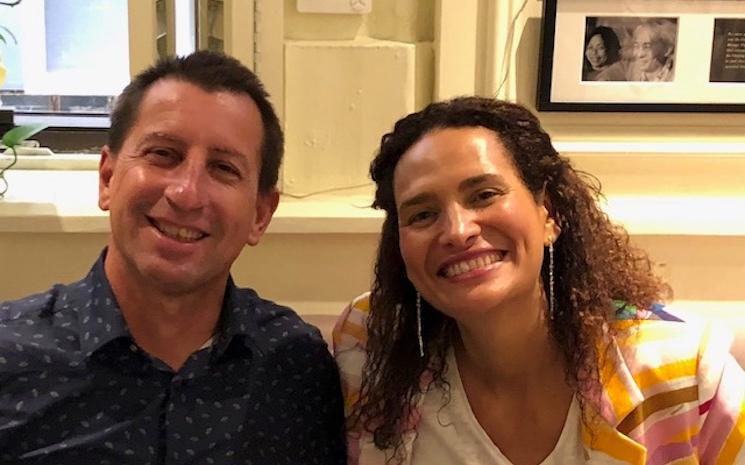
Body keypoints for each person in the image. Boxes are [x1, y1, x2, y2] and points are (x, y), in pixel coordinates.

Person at [333, 97, 745, 464]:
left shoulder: (687, 372)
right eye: (422, 214)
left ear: (549, 214)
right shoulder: (371, 345)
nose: (457, 231)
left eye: (484, 195)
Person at [0, 51, 346, 464]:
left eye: (223, 168)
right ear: (108, 178)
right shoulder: (11, 356)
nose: (186, 193)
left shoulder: (295, 367)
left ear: (260, 215)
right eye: (163, 154)